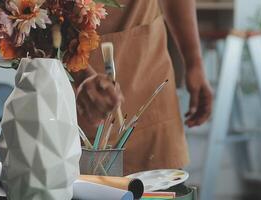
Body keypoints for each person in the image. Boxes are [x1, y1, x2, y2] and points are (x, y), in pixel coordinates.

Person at [73, 0, 213, 175]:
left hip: (149, 71)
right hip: (76, 90)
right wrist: (79, 71)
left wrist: (194, 62)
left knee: (161, 186)